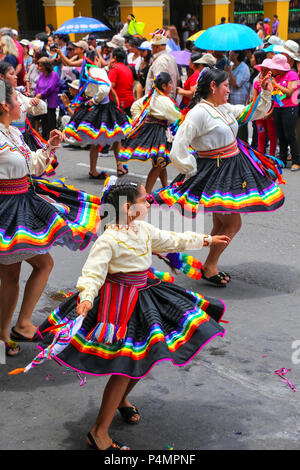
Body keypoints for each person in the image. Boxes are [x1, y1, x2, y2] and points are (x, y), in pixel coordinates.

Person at [25, 175, 230, 450]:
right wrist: (86, 297)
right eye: (144, 199)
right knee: (126, 366)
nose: (148, 202)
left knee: (141, 360)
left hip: (146, 297)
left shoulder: (142, 229)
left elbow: (171, 240)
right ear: (127, 208)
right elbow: (92, 273)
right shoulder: (108, 239)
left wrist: (206, 239)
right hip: (118, 306)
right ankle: (99, 432)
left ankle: (120, 401)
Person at [150, 68, 285, 286]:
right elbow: (179, 146)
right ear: (213, 87)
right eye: (226, 86)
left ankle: (210, 263)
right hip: (216, 172)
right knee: (233, 224)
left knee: (222, 223)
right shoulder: (198, 113)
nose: (229, 90)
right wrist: (190, 168)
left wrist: (265, 92)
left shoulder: (223, 108)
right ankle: (210, 265)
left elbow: (252, 112)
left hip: (232, 168)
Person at [0, 79, 101, 356]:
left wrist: (50, 147)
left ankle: (18, 325)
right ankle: (7, 332)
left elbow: (31, 165)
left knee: (38, 265)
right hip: (5, 211)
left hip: (22, 203)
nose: (22, 102)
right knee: (11, 273)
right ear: (4, 105)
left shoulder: (13, 133)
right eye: (17, 99)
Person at [64, 62, 131, 178]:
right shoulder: (97, 71)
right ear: (95, 59)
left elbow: (100, 74)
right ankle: (119, 167)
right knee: (116, 138)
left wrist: (106, 68)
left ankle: (93, 170)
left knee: (97, 140)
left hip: (98, 107)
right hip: (103, 107)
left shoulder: (92, 70)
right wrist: (95, 100)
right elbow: (105, 88)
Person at [119, 73, 182, 192]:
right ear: (164, 86)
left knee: (160, 162)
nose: (172, 86)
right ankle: (147, 193)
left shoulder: (152, 96)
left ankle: (165, 188)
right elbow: (177, 117)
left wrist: (141, 118)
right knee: (158, 164)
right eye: (170, 83)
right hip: (157, 132)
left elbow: (135, 106)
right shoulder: (165, 101)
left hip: (151, 130)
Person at [271, 54, 300, 171]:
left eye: (273, 67)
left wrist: (276, 85)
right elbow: (276, 96)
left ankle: (296, 161)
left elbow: (289, 92)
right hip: (278, 108)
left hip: (290, 108)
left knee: (290, 135)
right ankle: (281, 160)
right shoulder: (276, 77)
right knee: (281, 136)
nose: (271, 69)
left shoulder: (292, 75)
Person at [253, 58, 277, 156]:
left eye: (266, 70)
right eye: (262, 69)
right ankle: (260, 157)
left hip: (270, 114)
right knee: (261, 135)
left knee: (272, 136)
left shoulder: (274, 83)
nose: (263, 72)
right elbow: (254, 99)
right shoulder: (257, 83)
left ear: (270, 71)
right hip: (260, 114)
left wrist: (270, 112)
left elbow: (277, 100)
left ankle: (271, 157)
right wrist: (256, 112)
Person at [145, 29, 179, 100]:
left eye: (152, 45)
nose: (151, 47)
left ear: (157, 47)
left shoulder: (160, 61)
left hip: (159, 103)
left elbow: (160, 86)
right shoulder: (171, 58)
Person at [226, 50, 250, 142]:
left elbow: (236, 84)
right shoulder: (232, 66)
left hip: (240, 101)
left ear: (237, 54)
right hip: (231, 100)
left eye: (231, 53)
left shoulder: (244, 68)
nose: (229, 54)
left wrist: (229, 73)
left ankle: (244, 145)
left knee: (241, 125)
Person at [35, 57, 60, 140]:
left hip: (50, 101)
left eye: (41, 66)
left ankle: (53, 138)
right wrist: (37, 94)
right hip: (42, 101)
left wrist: (41, 95)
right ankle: (44, 138)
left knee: (51, 120)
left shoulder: (54, 75)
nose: (39, 68)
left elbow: (50, 88)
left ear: (46, 66)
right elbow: (38, 86)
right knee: (43, 120)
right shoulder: (42, 74)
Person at [108, 47, 135, 115]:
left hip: (118, 104)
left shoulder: (114, 68)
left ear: (114, 57)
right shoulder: (128, 69)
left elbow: (111, 85)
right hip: (129, 103)